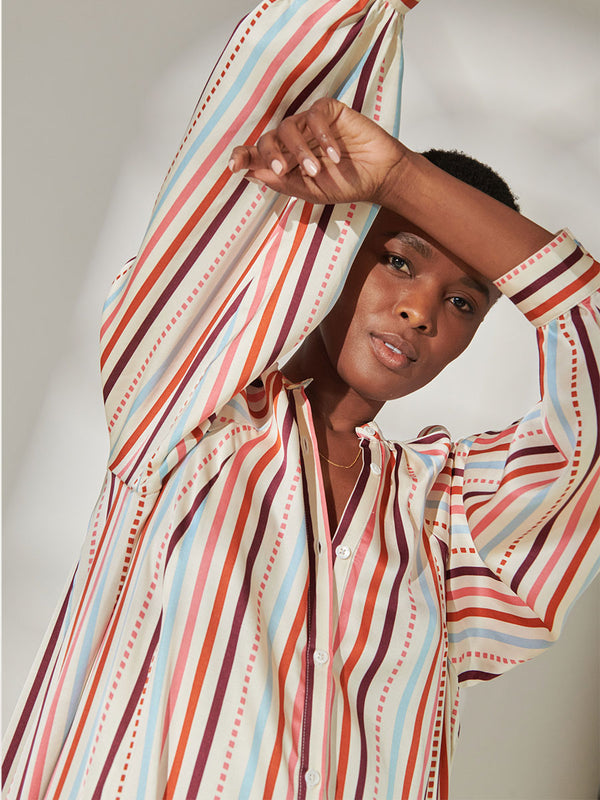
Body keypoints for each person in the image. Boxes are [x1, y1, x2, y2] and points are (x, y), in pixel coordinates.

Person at [3, 4, 599, 799]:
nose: (422, 311)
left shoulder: (449, 526)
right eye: (397, 259)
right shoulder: (188, 412)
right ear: (343, 244)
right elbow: (246, 132)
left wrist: (403, 181)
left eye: (463, 303)